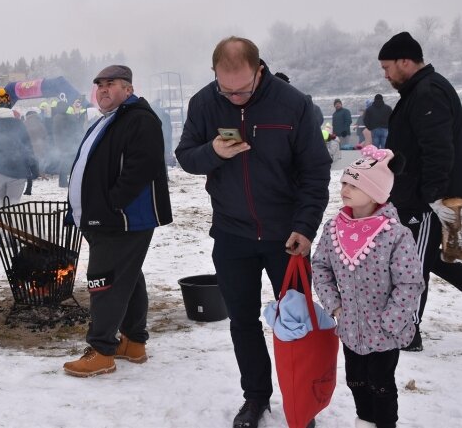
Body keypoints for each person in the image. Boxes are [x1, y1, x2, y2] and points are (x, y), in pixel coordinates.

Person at [175, 37, 331, 428]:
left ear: (259, 70)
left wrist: (305, 227)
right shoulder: (203, 103)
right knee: (242, 321)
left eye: (243, 88)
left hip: (287, 237)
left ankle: (299, 401)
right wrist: (212, 151)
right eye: (226, 89)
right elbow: (185, 157)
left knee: (295, 323)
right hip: (232, 234)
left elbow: (315, 173)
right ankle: (256, 398)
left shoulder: (293, 104)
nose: (236, 97)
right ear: (215, 76)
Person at [62, 65, 172, 377]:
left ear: (128, 88)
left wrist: (112, 205)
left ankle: (101, 350)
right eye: (99, 85)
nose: (103, 89)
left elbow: (142, 167)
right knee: (129, 277)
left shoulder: (139, 119)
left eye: (111, 84)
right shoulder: (109, 120)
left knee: (104, 281)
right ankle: (133, 342)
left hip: (123, 220)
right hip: (105, 219)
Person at [312, 146, 424, 428]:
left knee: (381, 385)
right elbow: (321, 267)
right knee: (356, 380)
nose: (344, 188)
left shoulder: (395, 235)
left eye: (353, 184)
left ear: (375, 192)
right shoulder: (333, 229)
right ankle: (364, 421)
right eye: (344, 182)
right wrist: (335, 305)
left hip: (384, 333)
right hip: (350, 328)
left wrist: (390, 321)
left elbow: (409, 283)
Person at [378, 31, 462, 351]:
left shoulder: (427, 92)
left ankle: (407, 332)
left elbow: (439, 150)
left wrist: (432, 196)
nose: (385, 75)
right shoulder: (422, 90)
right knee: (447, 259)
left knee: (412, 264)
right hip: (431, 198)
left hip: (426, 202)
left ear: (405, 61)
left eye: (387, 68)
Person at [0, 88, 39, 210]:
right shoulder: (19, 124)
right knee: (13, 206)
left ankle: (2, 227)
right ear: (9, 105)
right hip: (18, 170)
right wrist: (33, 167)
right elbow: (27, 147)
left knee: (0, 204)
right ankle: (11, 227)